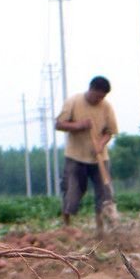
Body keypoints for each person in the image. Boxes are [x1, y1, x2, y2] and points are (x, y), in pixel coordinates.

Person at [55, 75, 119, 231]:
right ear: (91, 89)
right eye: (97, 96)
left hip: (99, 158)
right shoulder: (74, 102)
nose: (99, 99)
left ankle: (101, 226)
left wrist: (101, 144)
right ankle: (67, 225)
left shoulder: (106, 107)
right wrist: (79, 125)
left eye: (102, 97)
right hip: (75, 156)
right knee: (72, 190)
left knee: (104, 193)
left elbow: (110, 131)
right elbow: (59, 124)